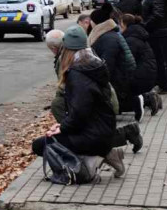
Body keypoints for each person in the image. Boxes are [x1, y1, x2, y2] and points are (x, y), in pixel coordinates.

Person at [33, 29, 125, 179]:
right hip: (103, 129)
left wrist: (61, 128)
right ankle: (105, 153)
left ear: (67, 49)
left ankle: (90, 163)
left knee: (40, 145)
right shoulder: (94, 65)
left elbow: (79, 114)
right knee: (54, 139)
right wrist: (61, 127)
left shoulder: (77, 74)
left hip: (93, 135)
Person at [119, 13, 160, 119]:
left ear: (124, 24)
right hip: (149, 71)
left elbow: (128, 61)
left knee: (121, 88)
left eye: (120, 25)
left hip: (142, 74)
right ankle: (149, 97)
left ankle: (147, 99)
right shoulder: (138, 34)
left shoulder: (130, 39)